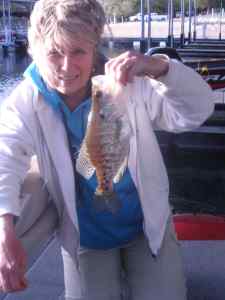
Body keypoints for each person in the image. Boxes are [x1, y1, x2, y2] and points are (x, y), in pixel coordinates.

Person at [0, 0, 215, 299]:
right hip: (85, 235)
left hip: (146, 227)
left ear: (94, 48)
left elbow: (199, 109)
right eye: (54, 53)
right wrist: (4, 228)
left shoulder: (127, 82)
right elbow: (5, 155)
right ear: (33, 51)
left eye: (78, 51)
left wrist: (161, 68)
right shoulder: (25, 101)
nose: (66, 66)